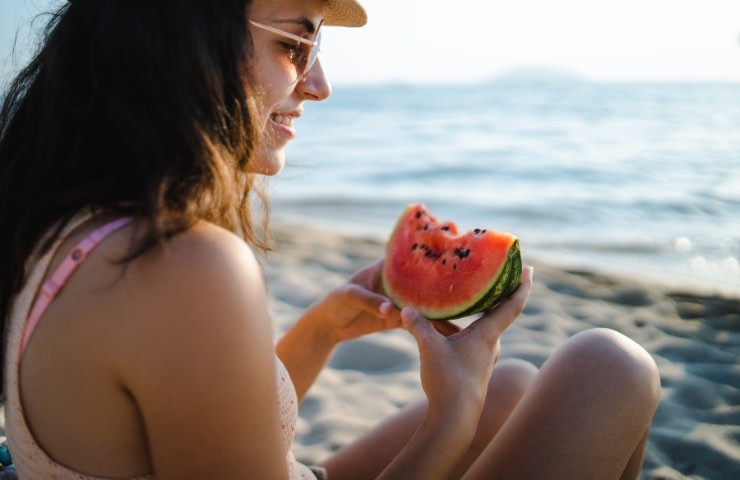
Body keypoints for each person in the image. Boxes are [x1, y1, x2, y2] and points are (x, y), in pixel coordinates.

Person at [0, 0, 661, 478]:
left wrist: (321, 328)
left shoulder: (65, 225)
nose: (319, 85)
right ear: (182, 39)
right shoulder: (180, 265)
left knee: (514, 384)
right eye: (296, 44)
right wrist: (450, 415)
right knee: (611, 368)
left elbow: (193, 423)